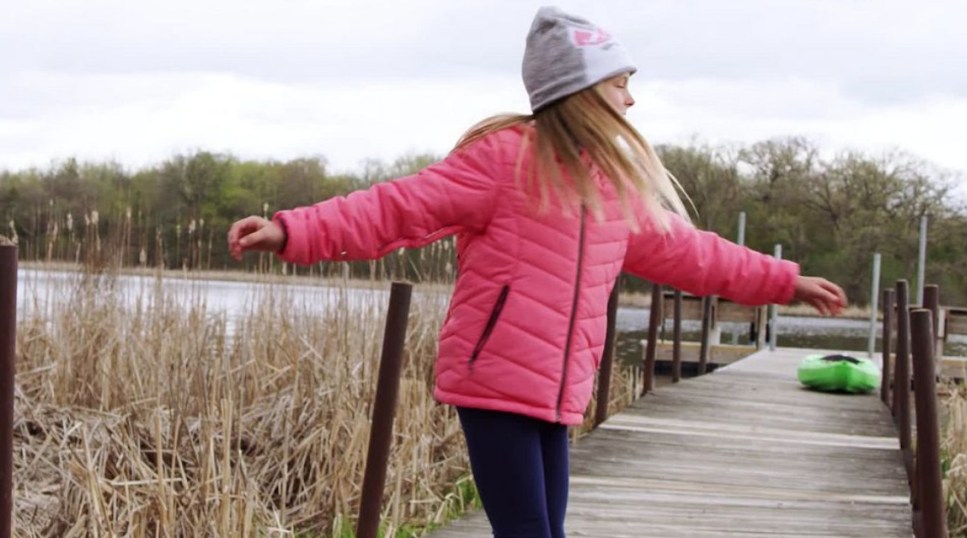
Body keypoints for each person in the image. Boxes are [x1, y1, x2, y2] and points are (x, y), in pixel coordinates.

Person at [227, 7, 847, 537]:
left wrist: (783, 281)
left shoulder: (614, 190)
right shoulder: (504, 160)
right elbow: (398, 207)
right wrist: (295, 230)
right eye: (621, 83)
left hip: (557, 395)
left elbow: (693, 252)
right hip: (494, 386)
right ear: (581, 90)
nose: (631, 99)